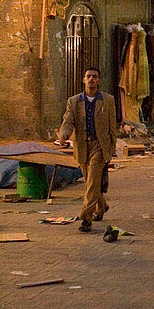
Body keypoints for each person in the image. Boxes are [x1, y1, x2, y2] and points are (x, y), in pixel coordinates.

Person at [58, 67, 118, 233]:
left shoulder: (108, 100)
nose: (91, 79)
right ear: (84, 80)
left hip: (99, 145)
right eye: (88, 76)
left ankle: (86, 218)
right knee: (91, 181)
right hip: (83, 145)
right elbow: (68, 121)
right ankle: (102, 206)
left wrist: (112, 146)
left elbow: (112, 125)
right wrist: (64, 134)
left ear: (98, 80)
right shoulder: (74, 101)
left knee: (92, 182)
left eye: (94, 77)